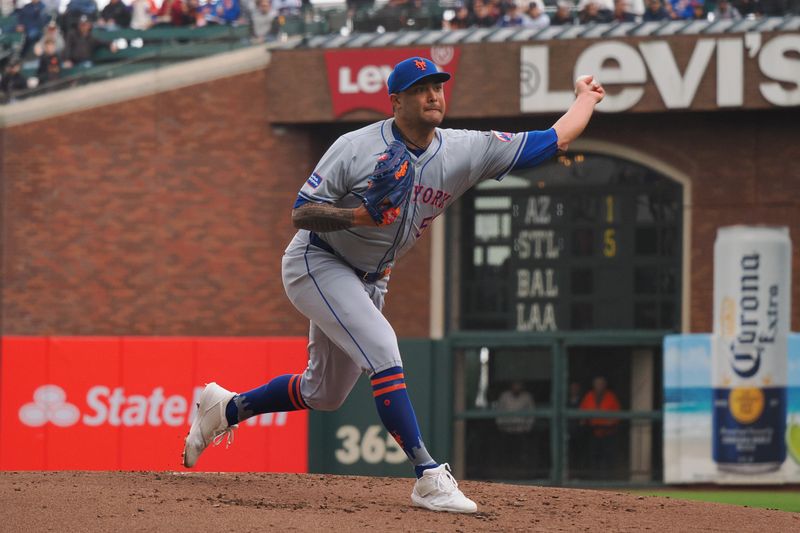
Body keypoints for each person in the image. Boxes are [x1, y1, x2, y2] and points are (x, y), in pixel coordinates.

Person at [182, 56, 605, 513]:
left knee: (324, 393)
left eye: (438, 86)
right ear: (396, 100)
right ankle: (427, 474)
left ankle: (225, 408)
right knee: (383, 348)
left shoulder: (464, 149)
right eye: (421, 88)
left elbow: (553, 139)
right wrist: (356, 216)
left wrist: (585, 98)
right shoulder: (356, 146)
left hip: (371, 278)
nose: (433, 95)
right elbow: (301, 212)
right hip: (317, 261)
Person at [579, 375, 621, 478]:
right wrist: (584, 421)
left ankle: (609, 479)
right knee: (593, 456)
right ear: (593, 385)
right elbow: (581, 412)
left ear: (605, 385)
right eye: (597, 383)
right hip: (592, 431)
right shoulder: (589, 395)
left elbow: (617, 414)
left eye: (601, 383)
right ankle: (593, 479)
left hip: (608, 432)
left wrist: (610, 423)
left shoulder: (611, 396)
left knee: (608, 457)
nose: (599, 386)